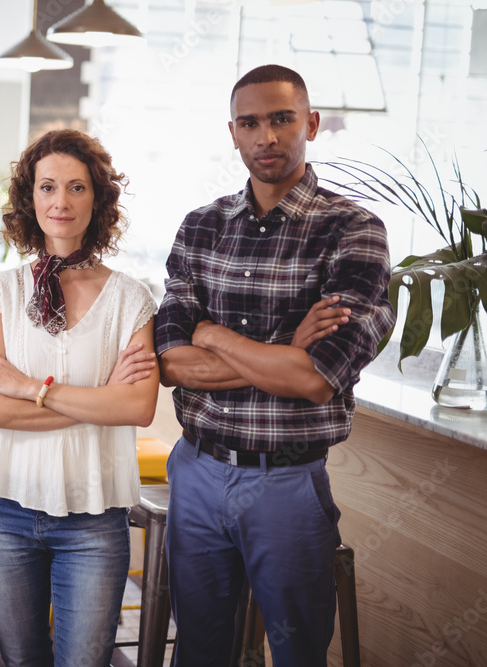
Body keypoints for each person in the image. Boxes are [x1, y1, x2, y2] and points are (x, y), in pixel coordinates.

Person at [154, 64, 396, 667]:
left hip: (287, 482)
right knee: (201, 649)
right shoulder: (201, 227)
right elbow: (171, 362)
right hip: (197, 472)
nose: (267, 136)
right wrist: (285, 345)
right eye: (251, 123)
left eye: (282, 119)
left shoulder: (353, 231)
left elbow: (315, 379)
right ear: (232, 133)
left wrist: (213, 334)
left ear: (310, 124)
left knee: (296, 652)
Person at [0, 128, 160, 666]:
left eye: (77, 188)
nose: (61, 201)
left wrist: (32, 390)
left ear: (98, 199)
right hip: (4, 509)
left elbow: (137, 408)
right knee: (22, 658)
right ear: (30, 198)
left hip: (95, 519)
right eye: (48, 187)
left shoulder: (131, 299)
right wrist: (99, 398)